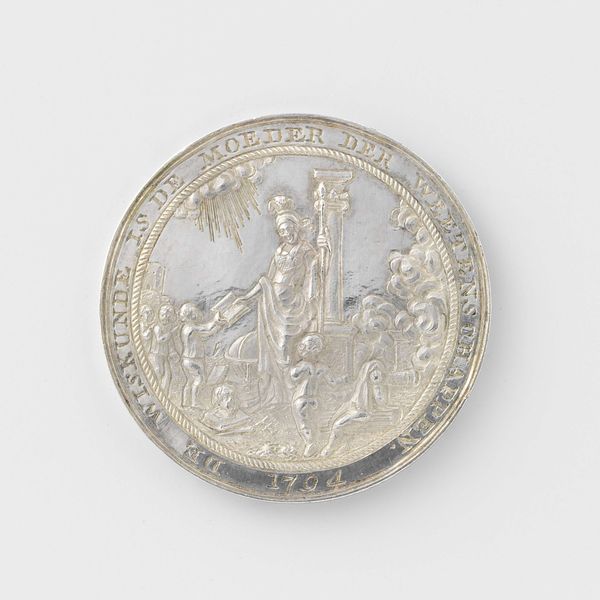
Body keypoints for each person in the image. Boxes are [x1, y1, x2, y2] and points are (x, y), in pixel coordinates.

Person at [227, 196, 329, 407]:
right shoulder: (279, 251)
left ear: (296, 227)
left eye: (289, 228)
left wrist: (324, 251)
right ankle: (274, 396)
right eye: (282, 231)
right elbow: (268, 278)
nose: (286, 233)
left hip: (293, 307)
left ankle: (289, 393)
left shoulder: (306, 250)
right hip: (272, 302)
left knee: (283, 348)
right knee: (269, 348)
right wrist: (248, 296)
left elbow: (319, 272)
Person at [289, 334, 346, 456]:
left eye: (304, 347)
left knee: (303, 424)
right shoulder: (322, 367)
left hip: (301, 398)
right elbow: (333, 382)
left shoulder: (303, 365)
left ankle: (310, 444)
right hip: (315, 400)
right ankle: (316, 444)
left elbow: (293, 375)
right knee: (314, 423)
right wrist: (343, 380)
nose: (301, 349)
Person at [179, 303, 224, 408]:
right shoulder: (193, 328)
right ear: (191, 315)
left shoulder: (185, 328)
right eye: (195, 312)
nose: (197, 314)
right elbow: (207, 329)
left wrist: (218, 326)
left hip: (186, 359)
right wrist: (216, 320)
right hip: (194, 360)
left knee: (190, 381)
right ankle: (195, 403)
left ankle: (185, 402)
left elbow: (208, 333)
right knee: (200, 380)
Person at [150, 304, 178, 394]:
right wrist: (170, 333)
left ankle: (164, 393)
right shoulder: (157, 327)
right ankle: (156, 391)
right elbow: (159, 339)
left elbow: (170, 343)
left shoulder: (168, 327)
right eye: (162, 315)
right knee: (159, 372)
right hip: (156, 354)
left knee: (168, 374)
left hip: (164, 354)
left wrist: (173, 352)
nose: (164, 317)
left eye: (166, 315)